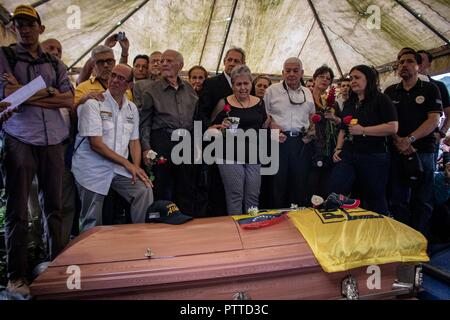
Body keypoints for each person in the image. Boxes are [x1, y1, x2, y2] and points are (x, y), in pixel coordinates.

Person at [0, 4, 74, 296]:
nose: (24, 29)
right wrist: (47, 93)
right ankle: (16, 276)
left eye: (30, 24)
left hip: (53, 140)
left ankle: (56, 265)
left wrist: (25, 93)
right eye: (19, 24)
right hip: (20, 138)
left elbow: (68, 100)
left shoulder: (55, 63)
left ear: (41, 28)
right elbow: (7, 95)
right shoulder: (5, 56)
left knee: (55, 206)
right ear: (14, 28)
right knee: (18, 209)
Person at [72, 64, 153, 232]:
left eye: (121, 78)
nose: (115, 80)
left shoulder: (131, 108)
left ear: (130, 85)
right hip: (92, 168)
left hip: (118, 168)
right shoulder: (93, 104)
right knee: (92, 219)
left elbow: (134, 141)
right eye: (113, 75)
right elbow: (96, 145)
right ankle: (90, 254)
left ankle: (142, 236)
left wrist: (136, 167)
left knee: (143, 190)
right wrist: (128, 164)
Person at [385, 50, 442, 237]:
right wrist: (399, 141)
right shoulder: (390, 91)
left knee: (422, 200)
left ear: (419, 66)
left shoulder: (430, 89)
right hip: (397, 152)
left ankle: (419, 241)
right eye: (400, 62)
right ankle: (403, 240)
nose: (404, 65)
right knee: (398, 199)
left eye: (409, 61)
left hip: (423, 151)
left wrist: (409, 140)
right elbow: (386, 121)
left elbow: (433, 120)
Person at [328, 65, 398, 214]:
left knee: (374, 197)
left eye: (357, 77)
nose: (353, 81)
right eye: (351, 78)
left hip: (373, 155)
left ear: (369, 79)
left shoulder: (382, 99)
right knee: (335, 189)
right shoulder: (350, 102)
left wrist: (364, 130)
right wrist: (338, 148)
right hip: (348, 153)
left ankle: (380, 231)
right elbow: (343, 128)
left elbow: (392, 127)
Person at [139, 50, 198, 216]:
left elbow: (195, 119)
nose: (163, 63)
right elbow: (144, 123)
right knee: (162, 188)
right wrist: (146, 148)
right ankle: (161, 230)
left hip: (186, 142)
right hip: (162, 141)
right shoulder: (151, 90)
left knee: (186, 187)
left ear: (180, 65)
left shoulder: (189, 89)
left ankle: (186, 226)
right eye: (162, 60)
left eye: (169, 61)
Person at [209, 65, 269, 215]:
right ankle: (236, 233)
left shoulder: (260, 102)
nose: (243, 88)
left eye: (246, 83)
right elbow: (210, 128)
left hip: (253, 155)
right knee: (235, 196)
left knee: (253, 196)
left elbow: (264, 124)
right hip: (229, 154)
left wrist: (275, 129)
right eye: (238, 84)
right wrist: (220, 128)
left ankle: (252, 226)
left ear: (251, 83)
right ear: (232, 85)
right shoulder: (224, 103)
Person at [198, 47, 246, 216]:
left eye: (236, 60)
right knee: (217, 183)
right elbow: (202, 111)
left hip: (240, 144)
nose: (232, 63)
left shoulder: (247, 84)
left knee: (239, 186)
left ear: (243, 63)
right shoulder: (212, 83)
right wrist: (208, 127)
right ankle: (218, 219)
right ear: (224, 61)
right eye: (229, 59)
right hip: (216, 142)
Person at [264, 57, 315, 208]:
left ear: (302, 73)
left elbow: (312, 116)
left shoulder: (307, 92)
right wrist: (273, 130)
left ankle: (297, 217)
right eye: (288, 71)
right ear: (282, 73)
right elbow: (264, 116)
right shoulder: (271, 91)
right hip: (278, 140)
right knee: (278, 183)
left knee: (299, 182)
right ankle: (277, 217)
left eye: (295, 70)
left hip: (301, 142)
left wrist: (311, 132)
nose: (291, 74)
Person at [307, 65, 341, 200]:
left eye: (328, 78)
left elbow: (341, 122)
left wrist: (334, 118)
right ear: (314, 79)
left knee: (324, 185)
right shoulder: (305, 98)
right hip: (309, 146)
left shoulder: (332, 103)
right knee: (309, 184)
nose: (325, 80)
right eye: (321, 76)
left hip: (327, 148)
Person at [417, 50, 450, 166]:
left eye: (422, 60)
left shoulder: (438, 86)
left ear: (429, 64)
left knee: (426, 178)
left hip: (429, 142)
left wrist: (441, 133)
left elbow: (449, 114)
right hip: (403, 141)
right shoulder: (400, 87)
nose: (418, 62)